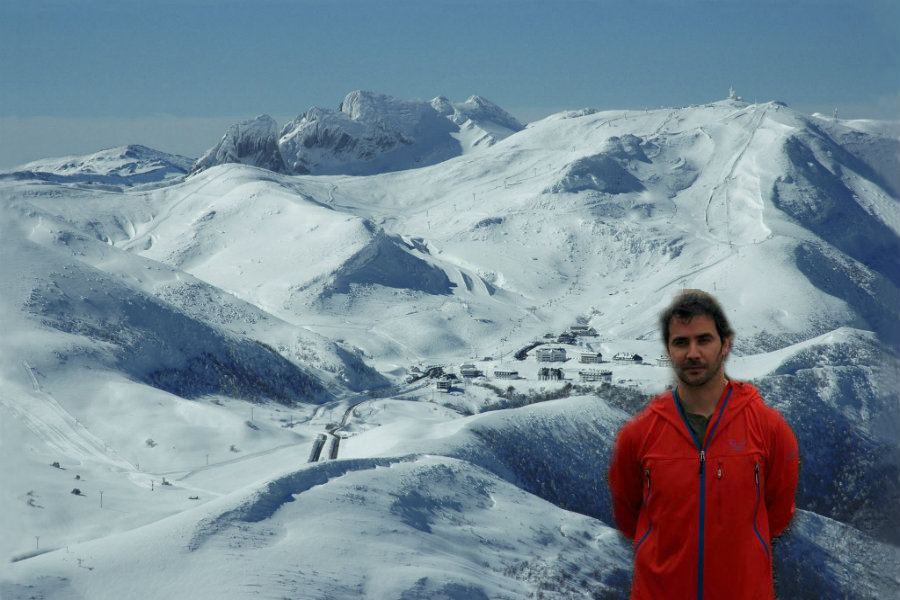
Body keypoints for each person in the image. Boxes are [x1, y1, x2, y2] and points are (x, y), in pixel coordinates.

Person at [608, 289, 799, 600]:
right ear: (669, 350)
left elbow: (777, 516)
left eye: (704, 340)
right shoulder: (637, 436)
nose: (692, 353)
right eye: (681, 342)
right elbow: (629, 519)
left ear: (725, 345)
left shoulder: (770, 429)